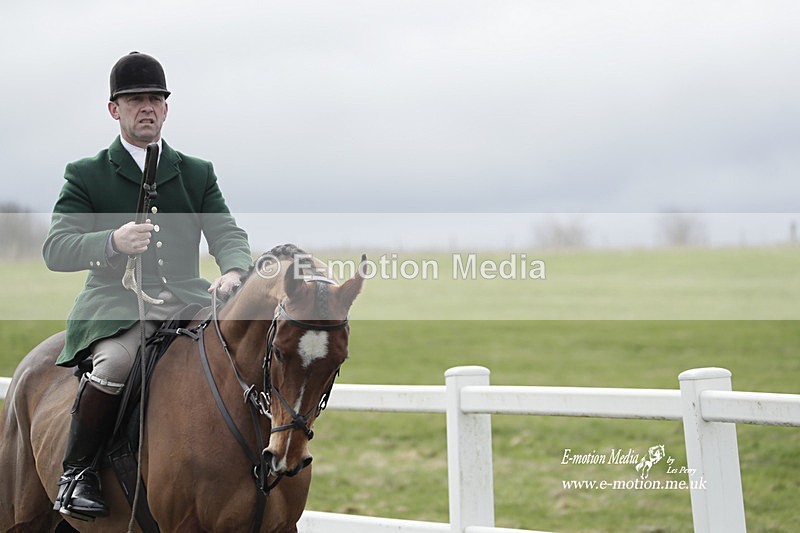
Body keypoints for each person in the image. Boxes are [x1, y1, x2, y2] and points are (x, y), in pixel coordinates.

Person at [43, 51, 253, 520]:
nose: (147, 107)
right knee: (116, 363)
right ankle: (77, 473)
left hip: (190, 301)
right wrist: (111, 241)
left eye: (155, 99)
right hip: (117, 305)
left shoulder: (196, 171)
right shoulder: (86, 173)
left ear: (166, 107)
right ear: (114, 109)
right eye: (135, 99)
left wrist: (235, 270)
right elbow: (56, 249)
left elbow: (227, 233)